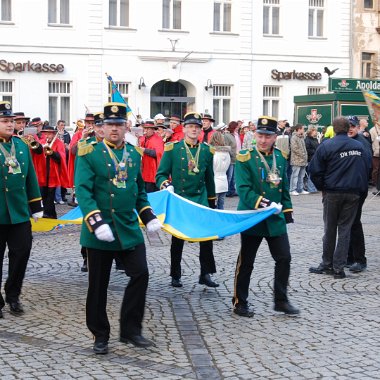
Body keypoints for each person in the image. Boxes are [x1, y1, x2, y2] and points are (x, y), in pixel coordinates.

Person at [75, 102, 162, 354]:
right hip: (100, 230)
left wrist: (148, 217)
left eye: (118, 124)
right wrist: (95, 221)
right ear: (101, 128)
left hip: (127, 228)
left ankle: (131, 330)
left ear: (126, 127)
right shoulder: (88, 153)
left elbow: (139, 192)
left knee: (140, 274)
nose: (114, 129)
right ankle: (100, 334)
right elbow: (83, 191)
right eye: (109, 124)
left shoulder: (135, 155)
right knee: (98, 285)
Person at [232, 116, 299, 317]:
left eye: (267, 136)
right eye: (260, 135)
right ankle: (239, 302)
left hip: (274, 219)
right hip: (253, 216)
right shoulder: (245, 157)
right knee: (247, 262)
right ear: (255, 136)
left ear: (274, 137)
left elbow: (284, 187)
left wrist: (287, 211)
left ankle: (281, 300)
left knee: (284, 258)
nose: (263, 140)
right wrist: (266, 204)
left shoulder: (280, 156)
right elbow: (243, 189)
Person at [156, 112, 219, 288]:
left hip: (200, 198)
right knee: (178, 238)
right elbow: (160, 174)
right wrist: (166, 184)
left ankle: (205, 274)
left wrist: (211, 203)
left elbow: (209, 178)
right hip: (180, 199)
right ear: (183, 129)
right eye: (190, 126)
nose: (194, 129)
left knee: (206, 237)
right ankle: (175, 274)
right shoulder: (173, 149)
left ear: (200, 130)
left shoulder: (206, 150)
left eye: (197, 127)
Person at [309, 117, 370, 279]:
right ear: (347, 128)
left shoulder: (327, 145)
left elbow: (314, 170)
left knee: (330, 229)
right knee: (345, 230)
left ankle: (327, 263)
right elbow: (367, 168)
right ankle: (339, 267)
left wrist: (322, 186)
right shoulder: (359, 146)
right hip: (352, 193)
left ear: (334, 129)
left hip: (333, 192)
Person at [0, 101, 43, 319]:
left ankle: (13, 294)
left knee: (22, 253)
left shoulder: (22, 146)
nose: (11, 125)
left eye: (12, 121)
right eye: (5, 121)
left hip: (18, 212)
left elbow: (31, 177)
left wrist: (36, 205)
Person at [345, 116, 371, 273]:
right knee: (347, 223)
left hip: (357, 189)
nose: (350, 128)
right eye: (348, 126)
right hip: (347, 189)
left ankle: (360, 259)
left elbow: (366, 167)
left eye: (353, 126)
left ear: (358, 127)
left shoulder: (362, 143)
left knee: (354, 223)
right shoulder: (348, 141)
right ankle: (349, 257)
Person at [33, 124, 69, 218]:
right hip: (42, 174)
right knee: (43, 196)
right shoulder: (41, 142)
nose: (47, 136)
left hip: (53, 174)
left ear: (53, 134)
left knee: (50, 197)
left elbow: (60, 158)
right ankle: (51, 215)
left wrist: (51, 152)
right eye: (45, 134)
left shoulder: (58, 143)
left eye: (49, 134)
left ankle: (48, 214)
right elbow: (36, 154)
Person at [139, 119, 164, 193]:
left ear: (153, 130)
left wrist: (144, 150)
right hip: (144, 171)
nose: (146, 130)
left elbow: (158, 154)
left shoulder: (158, 140)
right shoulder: (143, 138)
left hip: (152, 173)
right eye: (145, 128)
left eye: (148, 129)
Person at [209, 130, 230, 210]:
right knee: (221, 205)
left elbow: (211, 167)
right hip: (224, 181)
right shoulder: (227, 153)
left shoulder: (213, 153)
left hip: (214, 181)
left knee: (213, 206)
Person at [289, 124, 309, 196]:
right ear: (299, 129)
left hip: (303, 160)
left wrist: (305, 156)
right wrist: (303, 154)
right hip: (296, 160)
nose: (304, 130)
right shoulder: (294, 137)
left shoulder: (302, 137)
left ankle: (300, 189)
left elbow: (304, 148)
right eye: (303, 129)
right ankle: (292, 190)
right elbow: (294, 148)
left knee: (301, 176)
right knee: (295, 175)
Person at [225, 121, 239, 197]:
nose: (238, 128)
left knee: (233, 177)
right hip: (230, 158)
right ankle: (226, 191)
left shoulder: (234, 135)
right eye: (236, 127)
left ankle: (232, 190)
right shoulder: (227, 135)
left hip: (235, 158)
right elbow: (227, 147)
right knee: (229, 176)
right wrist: (233, 154)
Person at [304, 126, 319, 193]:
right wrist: (315, 151)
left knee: (314, 174)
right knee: (311, 174)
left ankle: (314, 187)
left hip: (315, 158)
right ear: (311, 131)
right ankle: (311, 188)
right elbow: (307, 149)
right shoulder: (307, 139)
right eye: (315, 131)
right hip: (310, 158)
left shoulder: (315, 139)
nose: (316, 132)